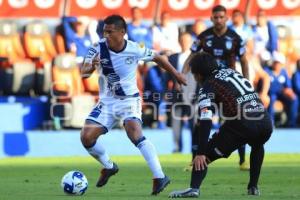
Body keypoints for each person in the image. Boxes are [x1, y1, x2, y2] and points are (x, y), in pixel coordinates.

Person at [80, 15, 186, 195]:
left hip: (129, 99)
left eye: (110, 31)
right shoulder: (97, 48)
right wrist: (91, 67)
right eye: (104, 31)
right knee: (86, 138)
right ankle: (109, 166)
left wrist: (176, 75)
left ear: (122, 33)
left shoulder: (135, 49)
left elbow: (159, 58)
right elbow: (83, 72)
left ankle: (159, 176)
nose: (106, 34)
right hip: (106, 102)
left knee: (133, 131)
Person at [169, 52, 273, 198]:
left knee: (205, 155)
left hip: (243, 123)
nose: (195, 78)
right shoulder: (230, 71)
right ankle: (253, 187)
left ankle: (193, 188)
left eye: (194, 74)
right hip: (265, 122)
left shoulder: (209, 86)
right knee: (257, 144)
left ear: (199, 74)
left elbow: (206, 120)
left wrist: (200, 152)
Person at [182, 5, 249, 170]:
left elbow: (245, 60)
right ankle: (194, 160)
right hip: (208, 85)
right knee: (200, 122)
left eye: (221, 17)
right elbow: (191, 56)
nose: (218, 20)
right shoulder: (204, 37)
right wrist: (182, 75)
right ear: (211, 18)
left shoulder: (235, 38)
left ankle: (242, 161)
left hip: (229, 86)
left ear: (226, 18)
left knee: (238, 120)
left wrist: (246, 81)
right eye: (215, 17)